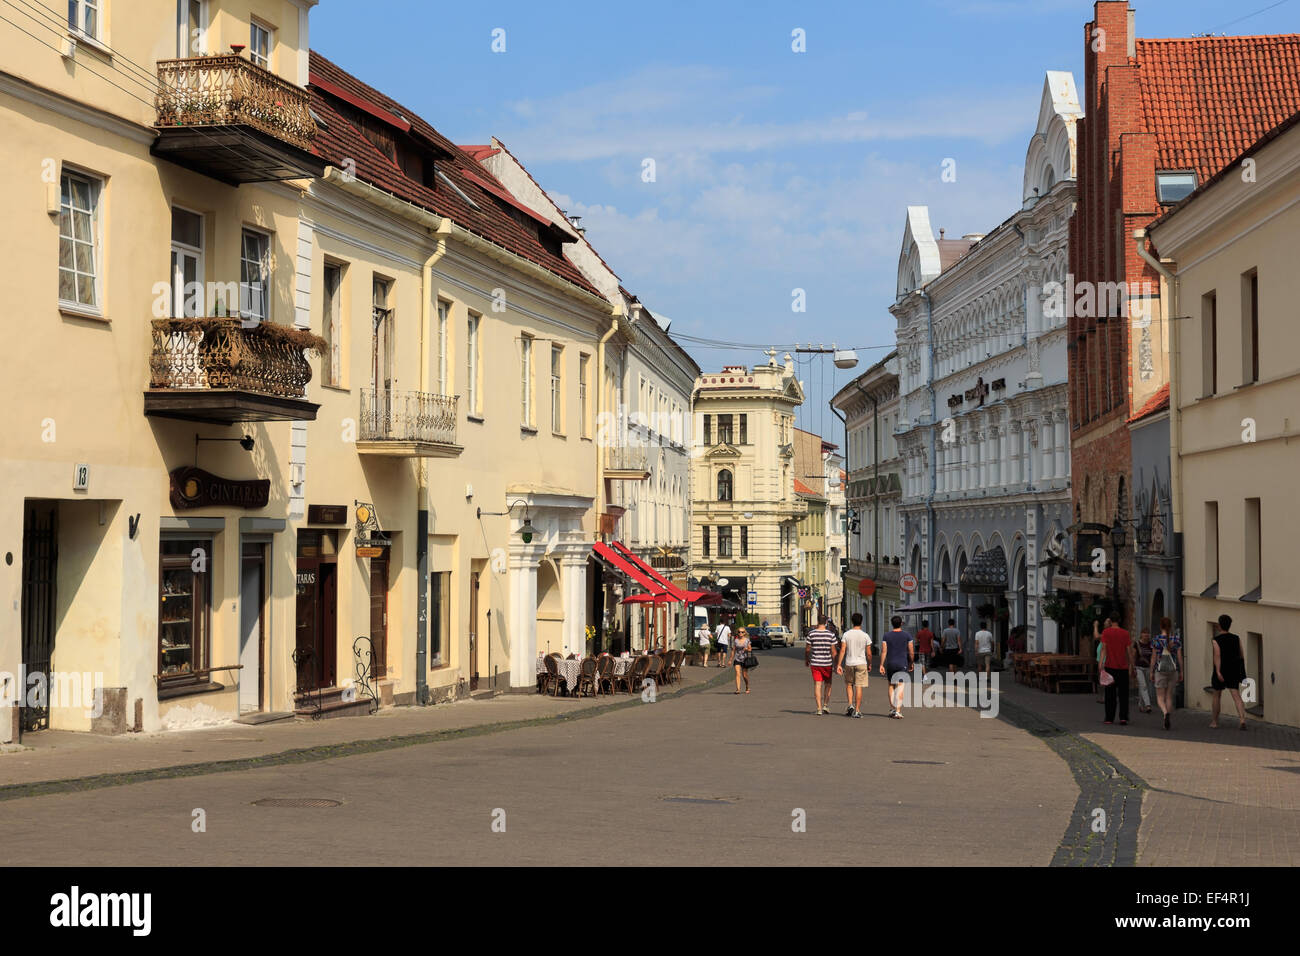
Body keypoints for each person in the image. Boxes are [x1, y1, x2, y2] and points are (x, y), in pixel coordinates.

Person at [1210, 614, 1248, 731]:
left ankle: (1215, 722)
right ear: (1229, 625)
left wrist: (1218, 672)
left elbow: (1217, 656)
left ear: (1220, 625)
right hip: (1233, 669)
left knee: (1217, 695)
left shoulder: (1216, 640)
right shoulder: (1236, 638)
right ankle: (1242, 719)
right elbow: (1241, 654)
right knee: (1236, 695)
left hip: (1221, 669)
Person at [1099, 613, 1134, 726]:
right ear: (1119, 620)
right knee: (1123, 694)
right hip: (1123, 667)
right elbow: (1129, 651)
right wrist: (1132, 666)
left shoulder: (1106, 632)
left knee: (1110, 694)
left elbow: (1104, 649)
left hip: (1110, 667)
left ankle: (1109, 718)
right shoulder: (1125, 633)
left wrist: (1100, 663)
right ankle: (1123, 717)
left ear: (1111, 620)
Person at [836, 612, 872, 717]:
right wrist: (869, 664)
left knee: (849, 684)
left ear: (852, 622)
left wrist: (839, 664)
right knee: (859, 686)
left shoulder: (846, 634)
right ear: (861, 622)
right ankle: (857, 710)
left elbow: (842, 650)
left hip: (849, 663)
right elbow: (869, 654)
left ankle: (850, 705)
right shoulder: (865, 636)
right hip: (861, 663)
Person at [1150, 617, 1182, 730]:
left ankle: (1165, 713)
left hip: (1160, 670)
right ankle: (1168, 716)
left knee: (1160, 697)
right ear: (1170, 627)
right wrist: (1181, 671)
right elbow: (1179, 657)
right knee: (1169, 696)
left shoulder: (1156, 640)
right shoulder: (1176, 640)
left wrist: (1151, 671)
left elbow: (1153, 658)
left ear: (1160, 626)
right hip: (1173, 670)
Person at [878, 616, 914, 719]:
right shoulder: (907, 635)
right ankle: (898, 710)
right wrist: (911, 662)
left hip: (891, 664)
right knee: (900, 686)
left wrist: (881, 664)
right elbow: (911, 651)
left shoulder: (886, 636)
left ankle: (892, 708)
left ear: (891, 623)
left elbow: (884, 651)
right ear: (901, 623)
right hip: (902, 663)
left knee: (891, 685)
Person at [804, 614, 838, 715]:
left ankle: (818, 708)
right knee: (828, 684)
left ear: (817, 621)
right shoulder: (830, 635)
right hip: (827, 663)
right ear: (826, 622)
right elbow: (834, 652)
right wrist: (836, 664)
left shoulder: (811, 634)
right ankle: (825, 706)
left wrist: (807, 659)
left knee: (817, 685)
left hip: (815, 662)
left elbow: (807, 649)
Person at [1133, 628, 1154, 714]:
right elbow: (1134, 656)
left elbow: (1153, 656)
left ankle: (1140, 704)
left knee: (1145, 687)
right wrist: (1132, 667)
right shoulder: (1137, 644)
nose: (1146, 635)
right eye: (1144, 633)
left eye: (1148, 633)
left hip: (1148, 667)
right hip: (1139, 668)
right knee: (1143, 685)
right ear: (1141, 634)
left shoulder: (1151, 644)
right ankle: (1148, 705)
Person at [731, 626, 753, 694]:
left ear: (744, 633)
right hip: (737, 659)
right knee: (737, 673)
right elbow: (733, 650)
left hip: (745, 659)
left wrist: (746, 649)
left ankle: (747, 686)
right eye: (739, 632)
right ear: (737, 633)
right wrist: (730, 659)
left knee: (744, 675)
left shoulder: (747, 640)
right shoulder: (735, 640)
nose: (740, 633)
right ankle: (738, 689)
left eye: (742, 632)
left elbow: (750, 649)